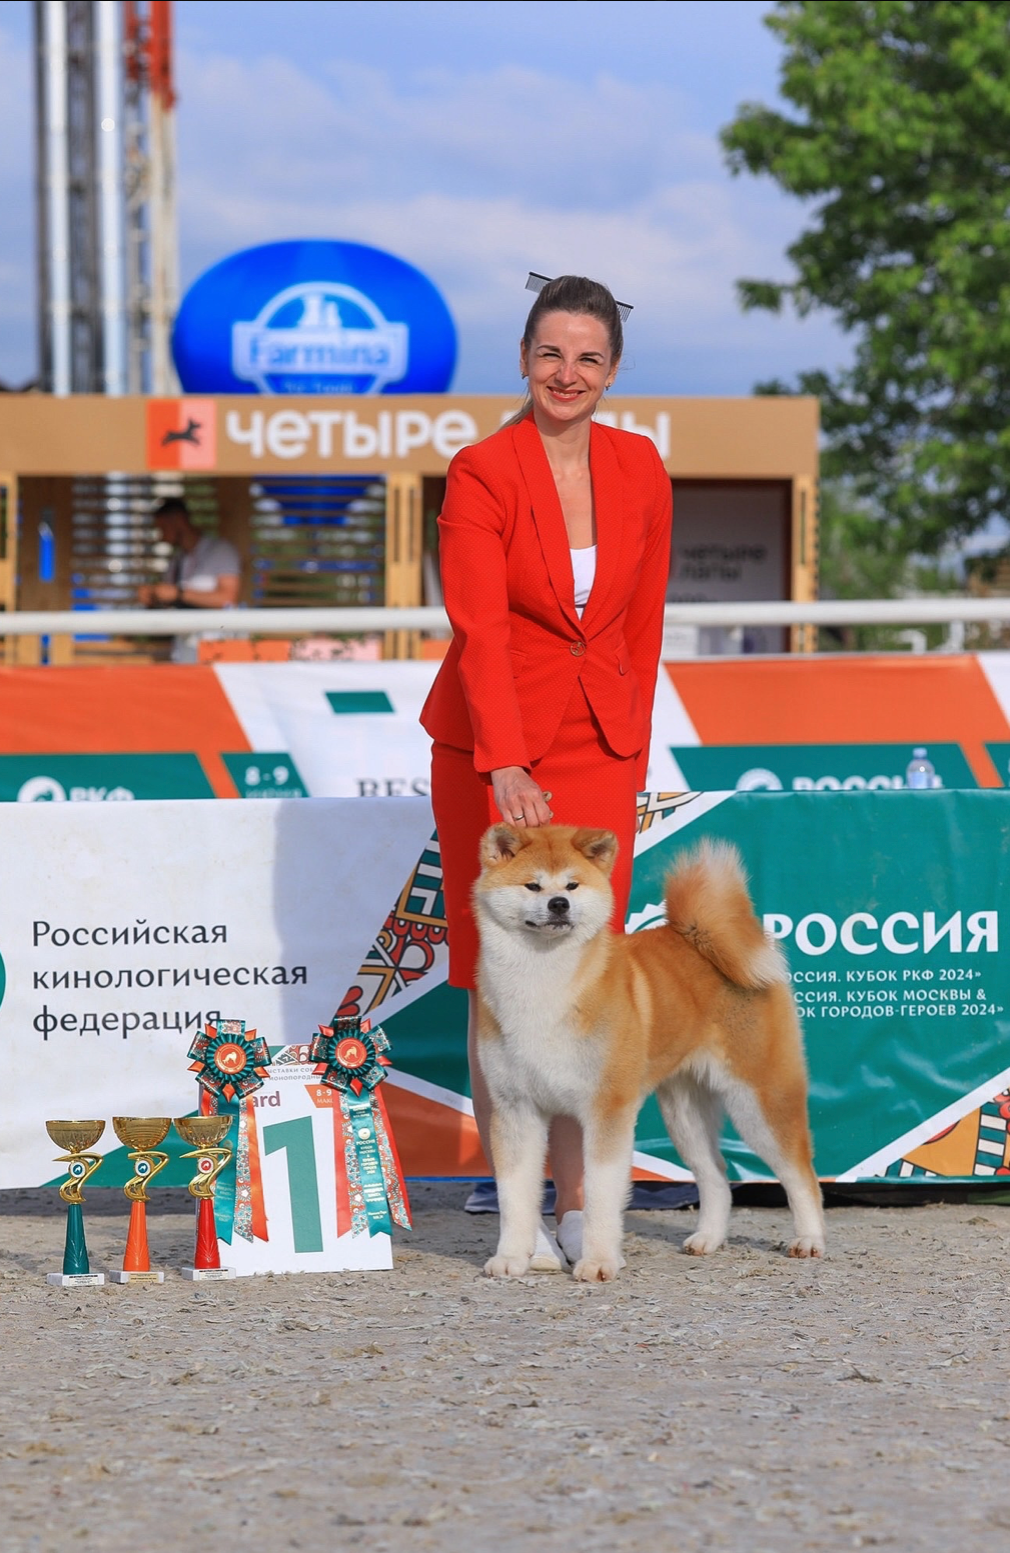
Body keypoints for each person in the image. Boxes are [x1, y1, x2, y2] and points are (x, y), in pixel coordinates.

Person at [420, 273, 673, 1267]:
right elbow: (477, 625)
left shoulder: (640, 466)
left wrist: (631, 744)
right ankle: (518, 1196)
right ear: (522, 358)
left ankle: (581, 1207)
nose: (566, 373)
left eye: (588, 357)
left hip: (600, 743)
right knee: (500, 973)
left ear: (612, 370)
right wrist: (506, 758)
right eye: (549, 353)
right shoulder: (481, 470)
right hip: (494, 740)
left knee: (586, 977)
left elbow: (642, 619)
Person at [138, 498, 241, 663]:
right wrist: (154, 597)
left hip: (216, 649)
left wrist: (179, 594)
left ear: (178, 520)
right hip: (184, 649)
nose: (161, 535)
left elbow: (228, 598)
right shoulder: (176, 561)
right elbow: (170, 602)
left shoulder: (220, 551)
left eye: (163, 527)